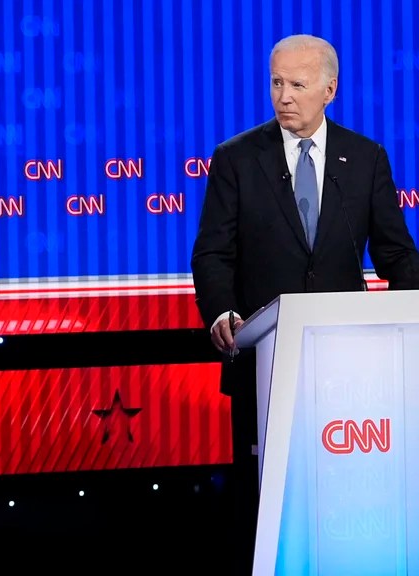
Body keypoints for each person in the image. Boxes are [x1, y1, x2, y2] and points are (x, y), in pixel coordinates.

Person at [191, 33, 419, 574]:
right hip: (264, 363)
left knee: (346, 492)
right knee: (263, 502)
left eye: (297, 84)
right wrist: (223, 313)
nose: (283, 95)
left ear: (329, 89)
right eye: (276, 82)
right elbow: (212, 253)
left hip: (353, 372)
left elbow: (395, 253)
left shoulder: (364, 159)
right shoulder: (237, 159)